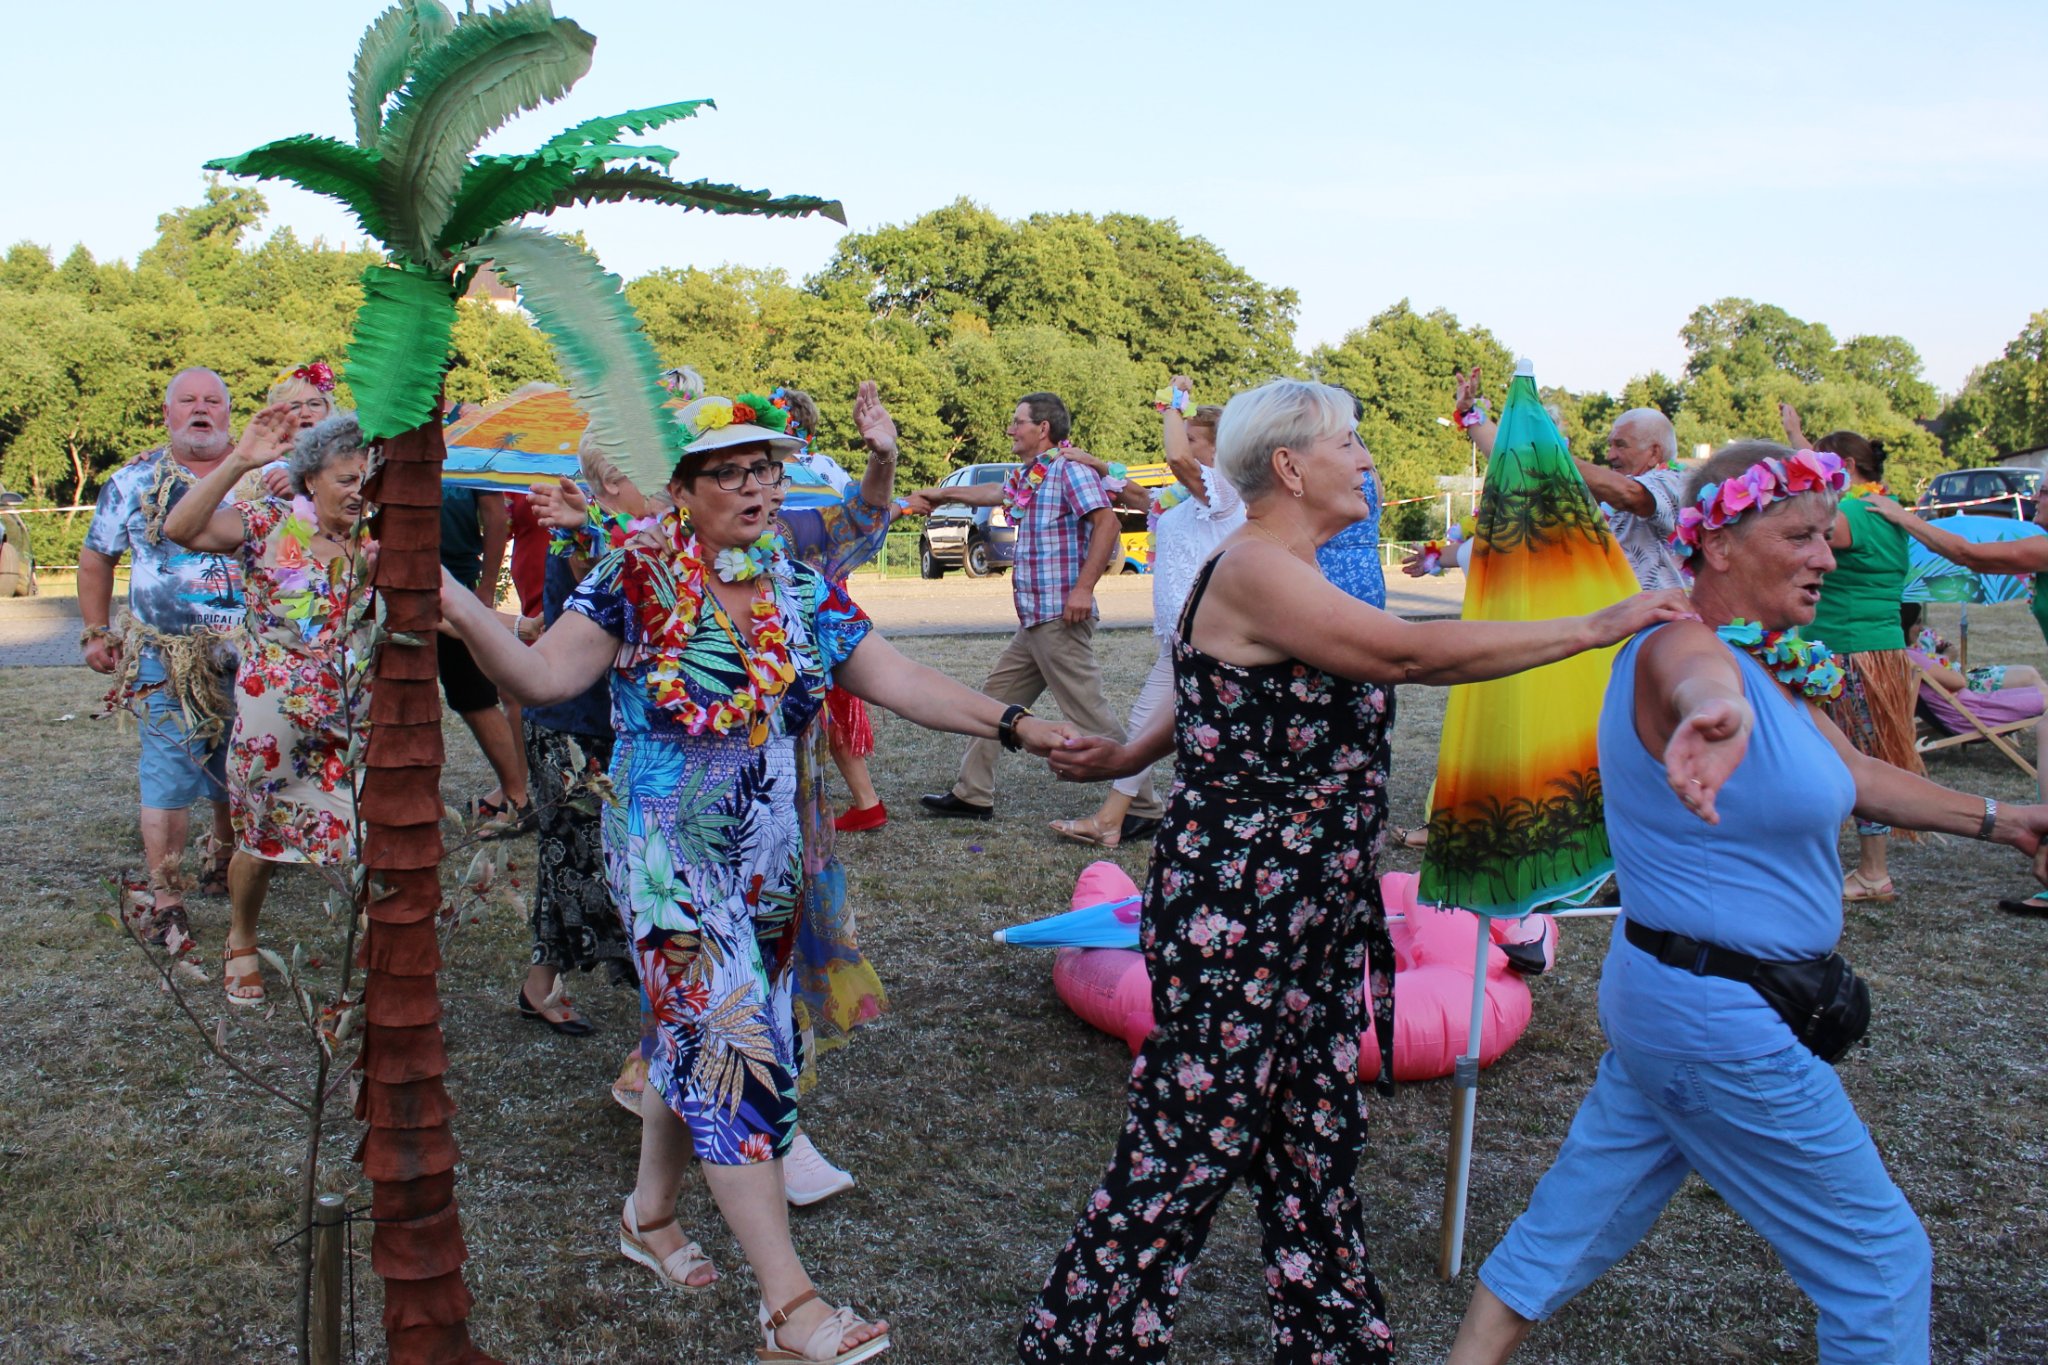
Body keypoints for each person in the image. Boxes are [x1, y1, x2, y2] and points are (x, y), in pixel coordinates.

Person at [1021, 379, 1693, 1364]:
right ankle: (1088, 1340)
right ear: (1289, 466)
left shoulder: (1284, 567)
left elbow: (1204, 684)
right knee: (1194, 1129)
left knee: (1310, 1127)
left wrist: (1127, 755)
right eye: (1351, 443)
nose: (1369, 461)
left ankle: (1330, 1333)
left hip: (1312, 899)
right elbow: (1408, 655)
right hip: (1240, 904)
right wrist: (1597, 624)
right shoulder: (1256, 565)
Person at [441, 393, 1078, 1362]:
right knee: (735, 1048)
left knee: (696, 1031)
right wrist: (455, 603)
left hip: (768, 854)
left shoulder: (795, 585)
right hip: (668, 858)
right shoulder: (634, 577)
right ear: (682, 490)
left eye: (764, 468)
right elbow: (540, 679)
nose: (755, 486)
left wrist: (1019, 727)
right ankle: (790, 1308)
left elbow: (899, 678)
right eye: (728, 471)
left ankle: (650, 1214)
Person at [1447, 440, 2048, 1364]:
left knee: (1571, 1223)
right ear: (1719, 545)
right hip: (1720, 1021)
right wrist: (1711, 716)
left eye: (1827, 534)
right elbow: (1697, 678)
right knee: (1881, 1266)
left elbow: (1858, 777)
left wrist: (2010, 821)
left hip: (1678, 1001)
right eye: (1801, 535)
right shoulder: (1683, 644)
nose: (1827, 555)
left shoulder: (1771, 661)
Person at [161, 411, 374, 1004]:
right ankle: (241, 937)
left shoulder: (379, 541)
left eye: (368, 479)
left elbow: (433, 606)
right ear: (310, 480)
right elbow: (181, 528)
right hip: (272, 723)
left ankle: (371, 951)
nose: (360, 491)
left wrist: (518, 628)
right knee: (259, 842)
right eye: (347, 479)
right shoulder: (266, 523)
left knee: (369, 841)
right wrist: (240, 461)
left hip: (354, 719)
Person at [914, 392, 1165, 839]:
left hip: (1060, 616)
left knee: (1090, 716)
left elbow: (1107, 523)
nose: (1011, 429)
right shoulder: (1032, 474)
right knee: (995, 702)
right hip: (1035, 619)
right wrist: (942, 494)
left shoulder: (1070, 470)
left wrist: (1083, 589)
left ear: (1043, 428)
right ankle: (972, 793)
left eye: (1018, 422)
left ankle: (1144, 807)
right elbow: (993, 492)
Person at [79, 368, 264, 941]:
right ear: (167, 414)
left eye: (212, 401)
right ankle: (166, 898)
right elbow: (97, 556)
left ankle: (223, 858)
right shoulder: (133, 480)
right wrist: (95, 630)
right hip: (167, 656)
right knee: (165, 774)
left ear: (229, 413)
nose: (200, 409)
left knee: (240, 768)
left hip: (255, 653)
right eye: (187, 401)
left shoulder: (267, 477)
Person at [1050, 377, 1237, 847]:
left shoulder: (1227, 491)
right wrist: (1097, 465)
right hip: (1180, 635)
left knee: (1210, 731)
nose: (1183, 446)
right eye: (1184, 437)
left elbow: (1177, 460)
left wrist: (1172, 406)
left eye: (1193, 439)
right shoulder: (1186, 498)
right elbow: (1145, 500)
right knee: (1147, 726)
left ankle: (1223, 820)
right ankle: (1110, 820)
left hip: (1213, 633)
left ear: (1220, 448)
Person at [1781, 406, 1921, 903]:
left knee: (1855, 756)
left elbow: (1813, 526)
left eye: (1823, 464)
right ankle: (1862, 867)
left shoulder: (1855, 516)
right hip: (1875, 648)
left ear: (1844, 466)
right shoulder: (1885, 507)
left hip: (1851, 653)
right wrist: (1797, 436)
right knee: (1859, 754)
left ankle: (1873, 872)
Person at [1453, 366, 1686, 590]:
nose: (1610, 455)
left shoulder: (1674, 482)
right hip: (1609, 614)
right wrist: (1469, 412)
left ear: (1654, 452)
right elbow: (1513, 462)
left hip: (1660, 616)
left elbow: (1631, 495)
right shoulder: (1605, 491)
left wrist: (1547, 455)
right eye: (1610, 445)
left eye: (1621, 445)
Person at [438, 478, 532, 836]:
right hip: (398, 579)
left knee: (473, 697)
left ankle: (517, 799)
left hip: (458, 577)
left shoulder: (468, 449)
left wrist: (487, 586)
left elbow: (495, 514)